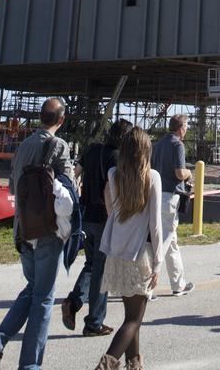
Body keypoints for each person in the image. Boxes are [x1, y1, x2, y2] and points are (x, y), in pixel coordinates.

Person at [0, 97, 78, 370]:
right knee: (44, 299)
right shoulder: (59, 146)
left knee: (34, 289)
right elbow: (68, 190)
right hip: (47, 230)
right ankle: (30, 365)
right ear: (61, 120)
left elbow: (13, 188)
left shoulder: (21, 147)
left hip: (23, 228)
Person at [94, 125, 163, 370]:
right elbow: (155, 226)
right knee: (134, 320)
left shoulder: (114, 174)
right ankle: (107, 363)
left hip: (117, 252)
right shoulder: (152, 177)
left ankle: (135, 364)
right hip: (140, 253)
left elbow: (111, 211)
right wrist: (158, 262)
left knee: (130, 316)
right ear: (146, 150)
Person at [61, 119, 132, 338]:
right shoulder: (116, 156)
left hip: (86, 215)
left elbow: (76, 173)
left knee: (92, 264)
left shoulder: (92, 150)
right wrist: (117, 221)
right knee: (102, 272)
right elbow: (111, 188)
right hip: (104, 218)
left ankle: (74, 301)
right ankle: (94, 322)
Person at [150, 115, 194, 297]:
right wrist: (189, 173)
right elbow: (179, 172)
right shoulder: (178, 145)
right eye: (186, 127)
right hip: (170, 196)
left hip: (156, 195)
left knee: (171, 241)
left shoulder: (158, 145)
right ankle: (148, 285)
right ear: (181, 128)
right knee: (164, 242)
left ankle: (179, 284)